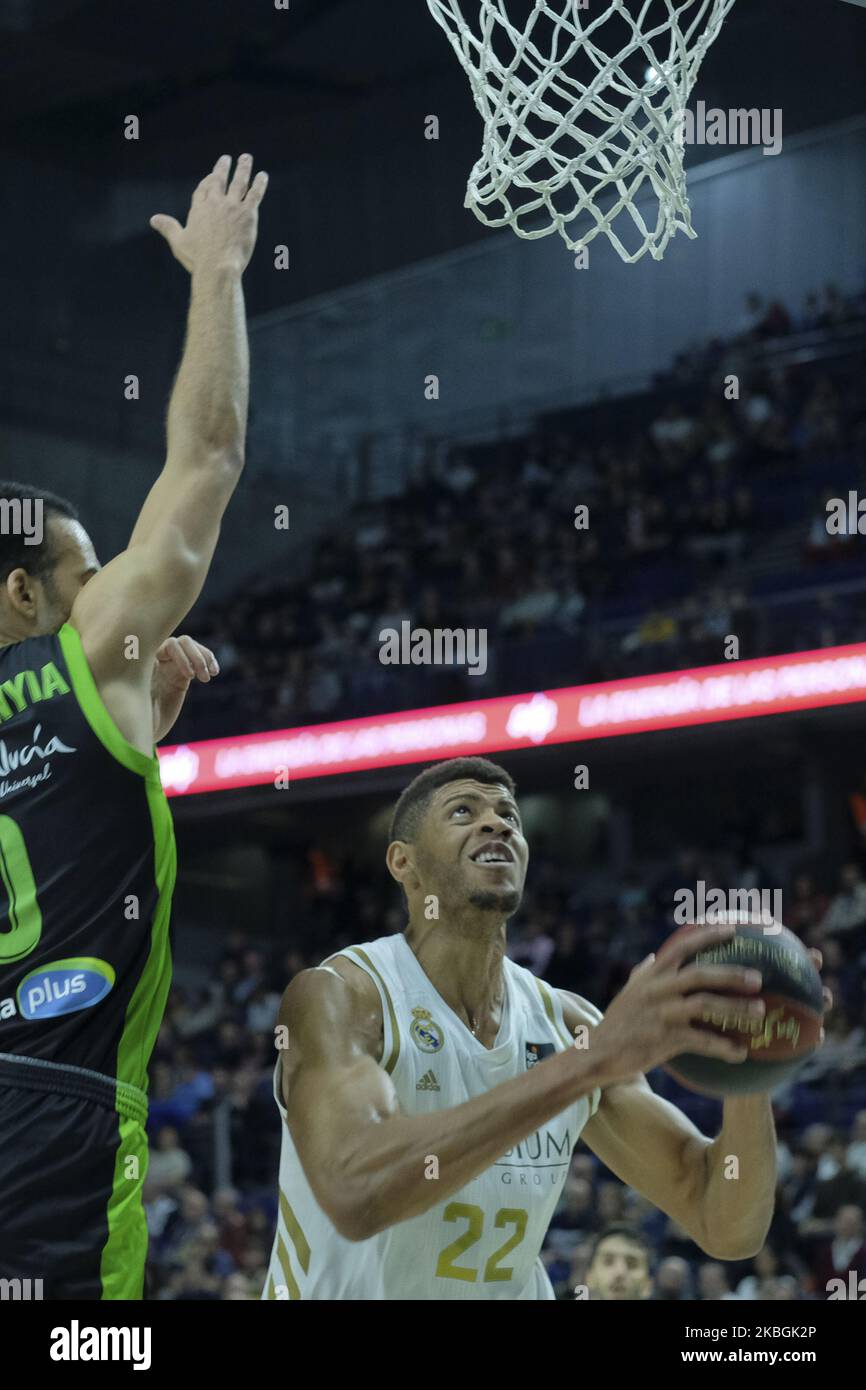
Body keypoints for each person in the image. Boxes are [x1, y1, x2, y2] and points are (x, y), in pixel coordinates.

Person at [262, 755, 831, 1300]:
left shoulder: (567, 1024)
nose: (495, 822)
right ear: (402, 863)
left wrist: (750, 1063)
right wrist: (586, 1065)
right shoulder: (343, 995)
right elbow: (356, 1189)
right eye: (463, 811)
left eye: (509, 816)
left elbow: (724, 1220)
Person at [0, 152, 268, 1298]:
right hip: (51, 1112)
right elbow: (205, 462)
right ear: (26, 593)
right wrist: (216, 273)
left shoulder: (92, 696)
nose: (106, 583)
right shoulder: (78, 653)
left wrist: (130, 758)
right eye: (86, 568)